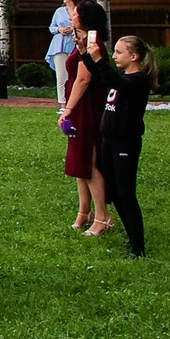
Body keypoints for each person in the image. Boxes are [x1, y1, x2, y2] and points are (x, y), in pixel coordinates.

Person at [97, 35, 153, 257]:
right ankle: (131, 238)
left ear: (134, 56)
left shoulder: (139, 80)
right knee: (113, 191)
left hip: (125, 141)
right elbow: (104, 76)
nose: (114, 56)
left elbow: (118, 83)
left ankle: (138, 247)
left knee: (126, 192)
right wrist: (85, 52)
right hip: (108, 140)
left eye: (119, 52)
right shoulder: (120, 76)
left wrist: (99, 59)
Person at [63, 29, 114, 236]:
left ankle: (103, 217)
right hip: (79, 106)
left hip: (88, 107)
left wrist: (68, 109)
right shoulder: (81, 40)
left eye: (75, 12)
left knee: (89, 160)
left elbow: (84, 79)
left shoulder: (94, 41)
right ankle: (84, 211)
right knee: (79, 161)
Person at [48, 0, 81, 103]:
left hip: (76, 45)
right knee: (61, 76)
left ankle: (75, 102)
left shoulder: (80, 9)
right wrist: (59, 30)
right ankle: (63, 104)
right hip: (59, 46)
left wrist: (74, 28)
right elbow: (51, 27)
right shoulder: (59, 11)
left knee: (76, 75)